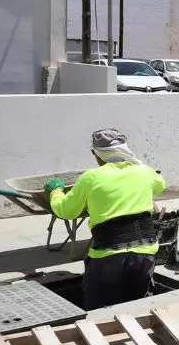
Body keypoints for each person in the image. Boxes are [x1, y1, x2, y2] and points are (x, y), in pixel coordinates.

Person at [43, 129, 166, 310]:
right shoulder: (144, 172)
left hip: (108, 258)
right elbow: (161, 185)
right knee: (139, 305)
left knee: (99, 308)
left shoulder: (91, 178)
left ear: (97, 155)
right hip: (144, 254)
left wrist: (56, 191)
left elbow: (65, 211)